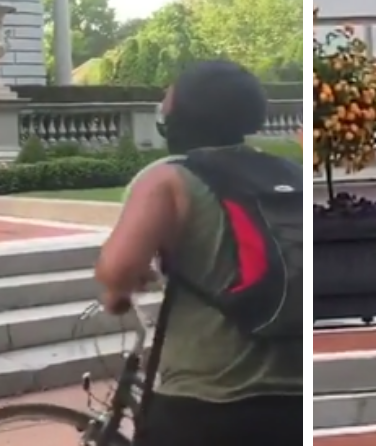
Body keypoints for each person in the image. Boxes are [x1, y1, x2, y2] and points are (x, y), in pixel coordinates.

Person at [94, 60, 301, 446]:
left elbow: (117, 269)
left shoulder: (168, 177)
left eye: (168, 99)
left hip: (205, 400)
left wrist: (116, 296)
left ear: (186, 112)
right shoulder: (289, 172)